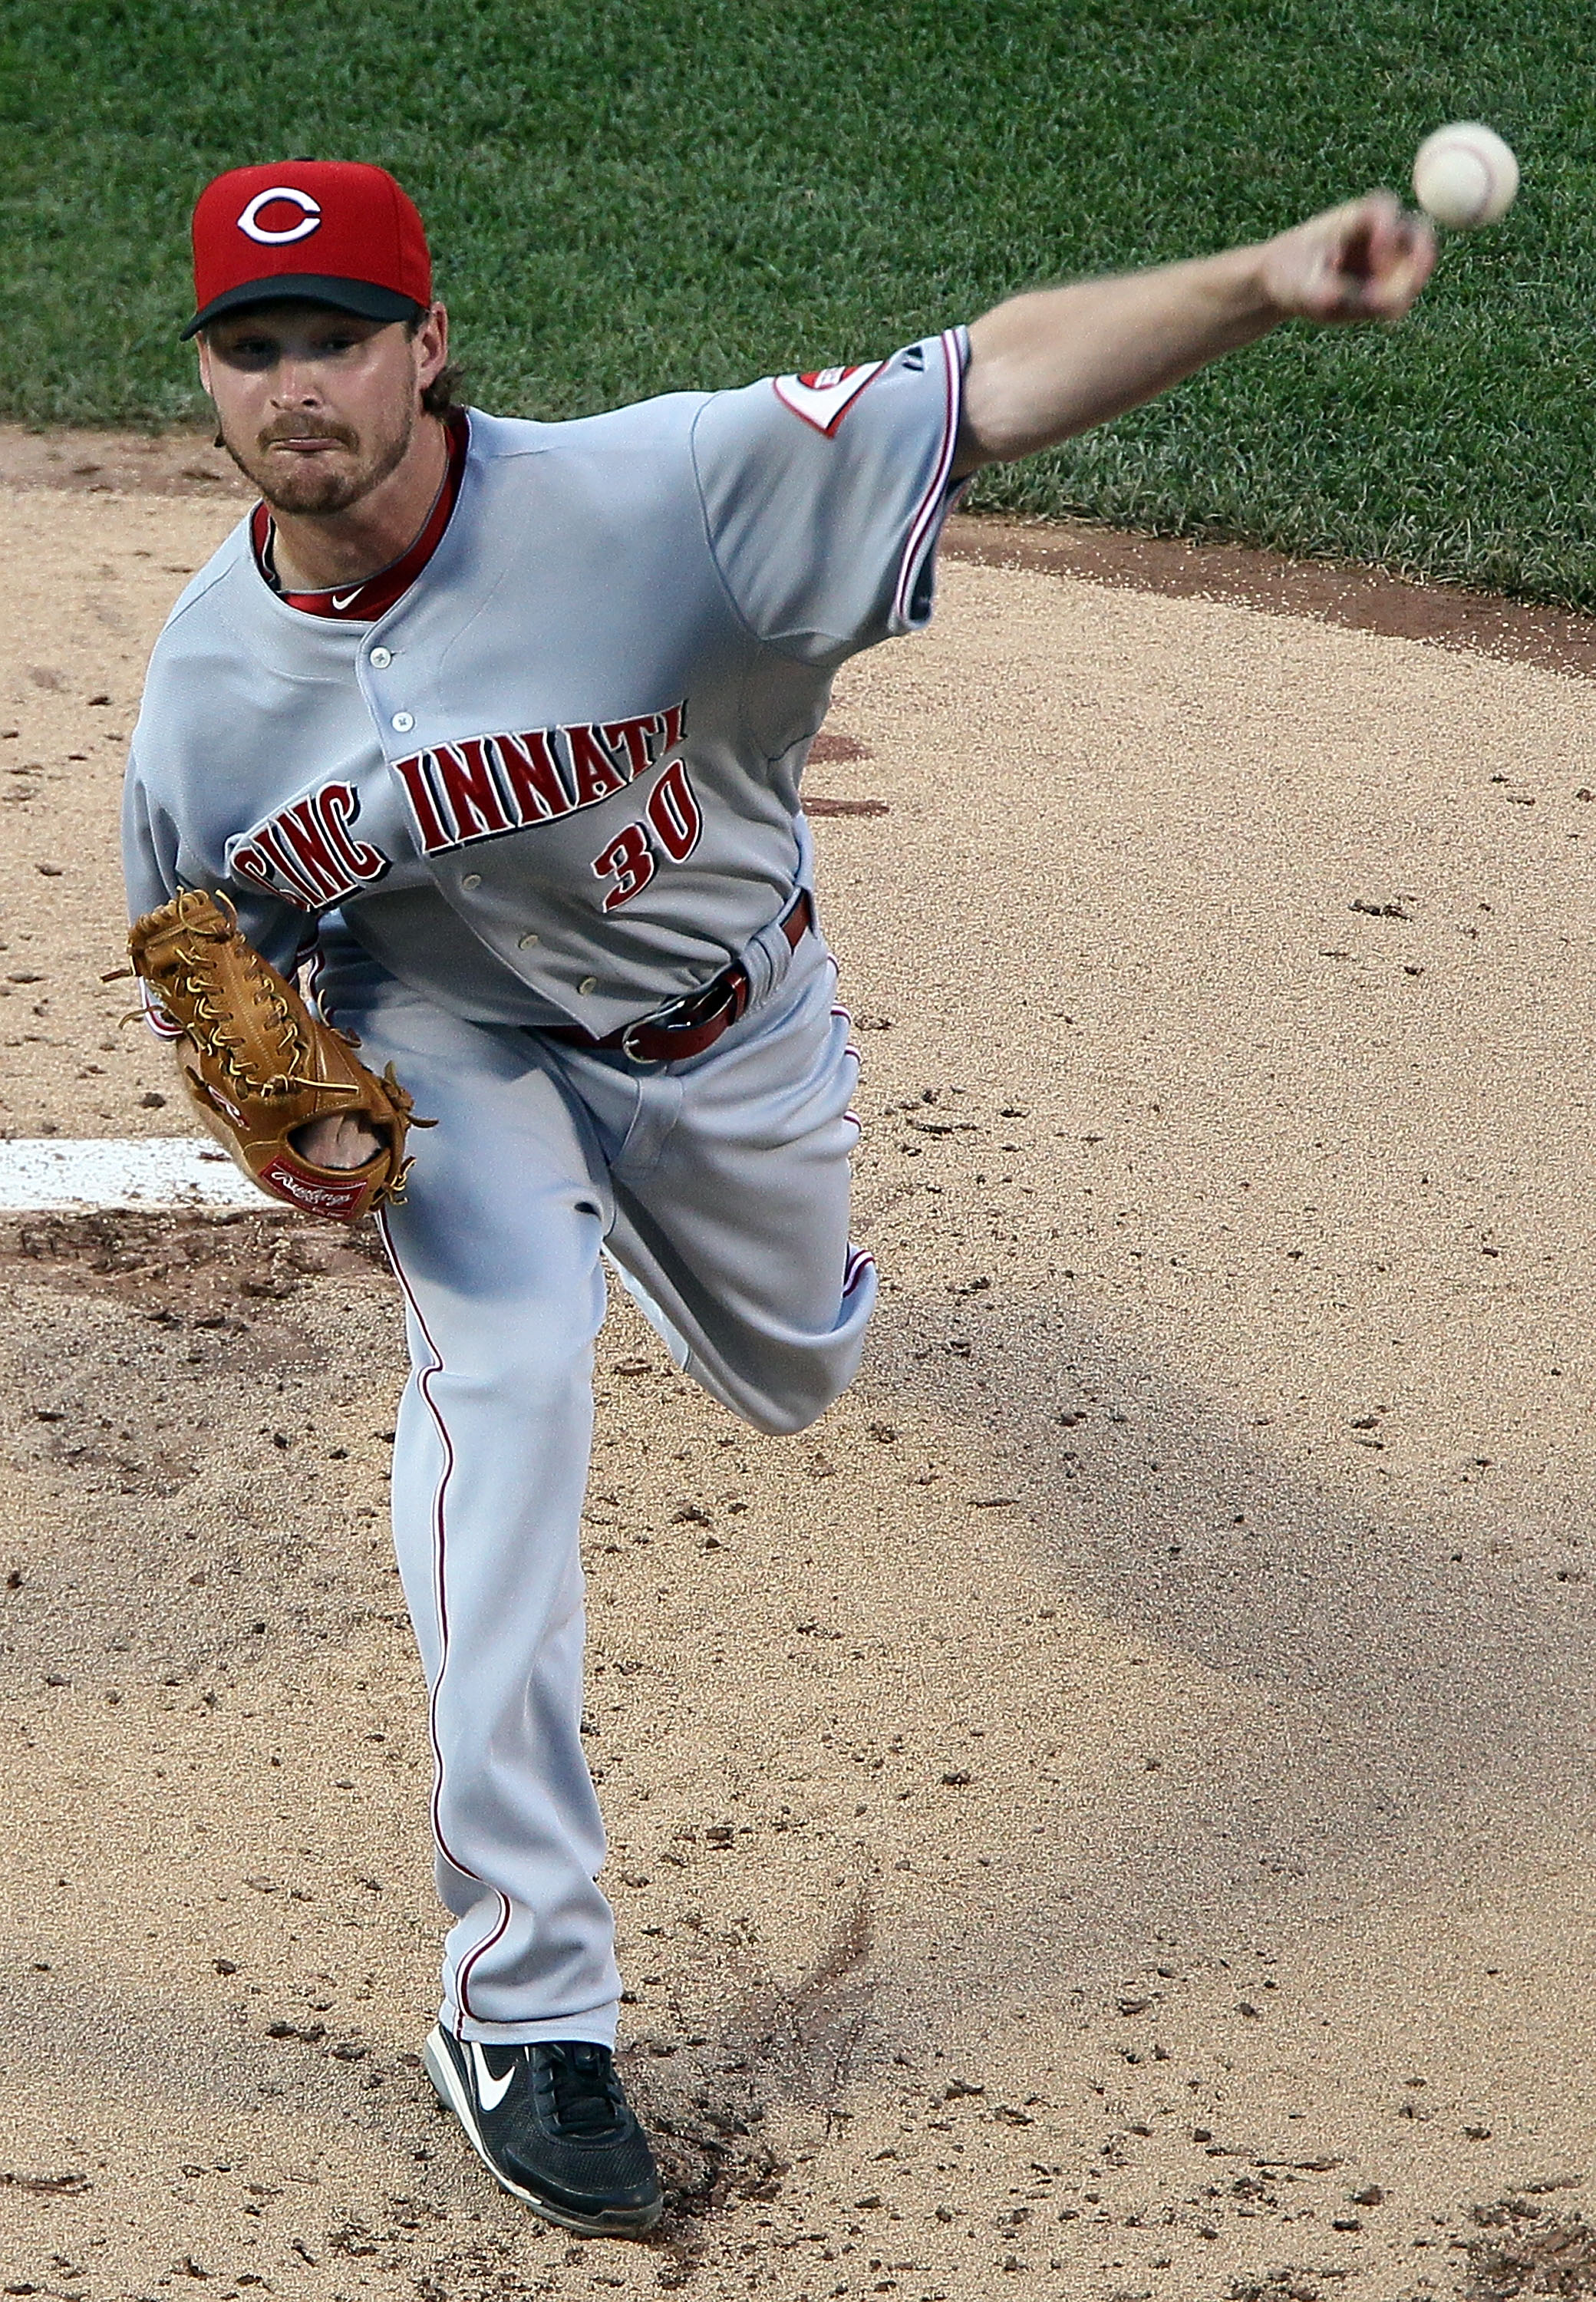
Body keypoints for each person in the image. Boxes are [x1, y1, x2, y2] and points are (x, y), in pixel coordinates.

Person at [122, 158, 1434, 2236]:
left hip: (730, 1034)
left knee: (796, 1367)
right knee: (508, 1387)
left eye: (340, 334)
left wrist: (1263, 280)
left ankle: (697, 1253)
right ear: (208, 379)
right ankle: (523, 1999)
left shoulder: (666, 496)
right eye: (253, 346)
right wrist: (286, 1105)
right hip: (465, 1057)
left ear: (428, 342)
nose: (300, 384)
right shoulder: (205, 694)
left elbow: (975, 383)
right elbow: (210, 956)